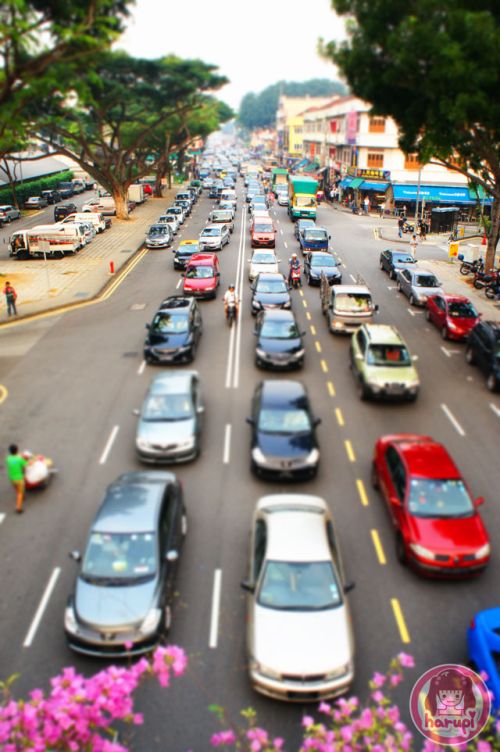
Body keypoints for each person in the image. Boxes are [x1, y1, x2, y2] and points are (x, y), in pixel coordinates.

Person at [5, 444, 28, 513]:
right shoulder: (20, 459)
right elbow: (26, 464)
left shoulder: (8, 458)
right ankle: (18, 508)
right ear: (17, 450)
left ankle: (22, 496)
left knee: (17, 489)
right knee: (20, 493)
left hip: (12, 478)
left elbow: (14, 460)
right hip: (19, 478)